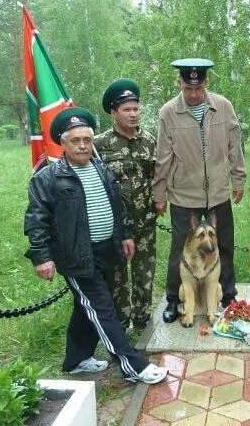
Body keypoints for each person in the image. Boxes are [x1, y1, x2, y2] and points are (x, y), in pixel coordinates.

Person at [24, 107, 168, 384]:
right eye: (75, 140)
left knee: (86, 306)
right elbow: (36, 220)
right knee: (102, 308)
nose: (82, 146)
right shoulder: (48, 178)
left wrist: (125, 235)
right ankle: (134, 365)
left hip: (108, 250)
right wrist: (42, 257)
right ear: (63, 143)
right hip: (78, 256)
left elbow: (117, 207)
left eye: (87, 140)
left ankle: (76, 360)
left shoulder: (101, 168)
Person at [152, 58, 246, 324]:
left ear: (206, 82)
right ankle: (173, 298)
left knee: (224, 244)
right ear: (180, 83)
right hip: (184, 195)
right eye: (187, 88)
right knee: (179, 249)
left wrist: (238, 179)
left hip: (217, 193)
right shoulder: (168, 112)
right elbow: (163, 157)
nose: (193, 94)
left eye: (198, 87)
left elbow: (234, 147)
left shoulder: (223, 107)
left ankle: (227, 295)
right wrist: (159, 195)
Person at [95, 78, 157, 331]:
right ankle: (120, 324)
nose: (133, 114)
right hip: (114, 226)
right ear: (113, 112)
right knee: (118, 278)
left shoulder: (150, 141)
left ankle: (142, 319)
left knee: (145, 274)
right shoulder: (100, 145)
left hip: (145, 222)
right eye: (126, 110)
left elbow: (157, 176)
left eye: (136, 108)